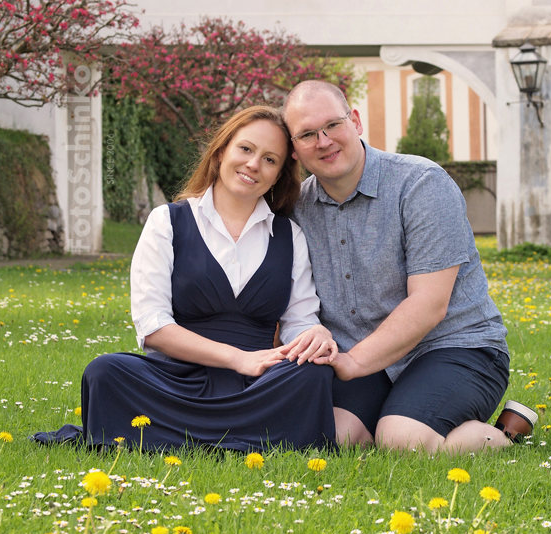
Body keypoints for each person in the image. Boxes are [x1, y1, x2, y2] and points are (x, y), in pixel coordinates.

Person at [33, 106, 338, 452]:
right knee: (105, 371)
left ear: (280, 174)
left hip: (256, 384)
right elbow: (153, 326)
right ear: (221, 151)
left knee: (313, 375)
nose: (254, 164)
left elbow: (298, 322)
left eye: (270, 160)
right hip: (176, 381)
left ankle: (177, 436)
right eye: (246, 149)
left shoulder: (289, 236)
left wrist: (312, 334)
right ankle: (250, 437)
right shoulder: (167, 221)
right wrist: (237, 358)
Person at [281, 80, 536, 453]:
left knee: (401, 439)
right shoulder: (296, 209)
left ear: (355, 121)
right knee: (334, 436)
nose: (323, 141)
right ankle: (415, 416)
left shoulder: (421, 184)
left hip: (454, 346)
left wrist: (353, 363)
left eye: (332, 125)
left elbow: (430, 304)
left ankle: (509, 436)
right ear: (294, 150)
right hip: (363, 354)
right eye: (307, 134)